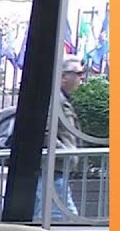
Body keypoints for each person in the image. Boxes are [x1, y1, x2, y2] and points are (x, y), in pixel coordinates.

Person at [33, 55, 85, 219]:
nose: (82, 77)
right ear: (63, 76)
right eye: (78, 73)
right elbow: (44, 131)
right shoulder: (55, 100)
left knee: (54, 216)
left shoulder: (60, 98)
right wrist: (65, 153)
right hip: (53, 169)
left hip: (56, 169)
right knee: (63, 219)